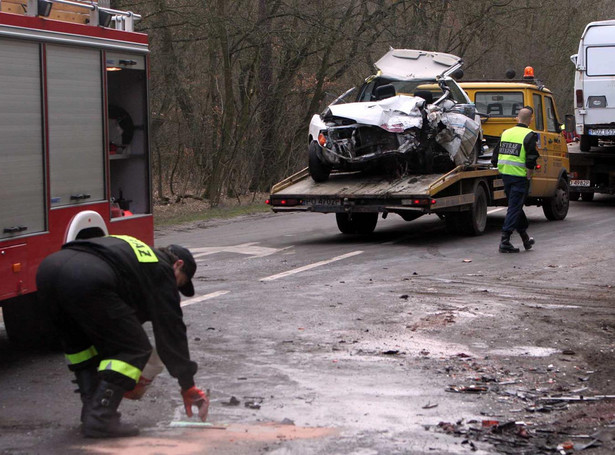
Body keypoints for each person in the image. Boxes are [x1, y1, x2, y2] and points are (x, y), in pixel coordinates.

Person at [36, 235, 209, 438]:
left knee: (80, 344)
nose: (176, 289)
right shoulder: (162, 269)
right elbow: (171, 330)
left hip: (49, 270)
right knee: (134, 349)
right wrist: (187, 384)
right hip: (87, 277)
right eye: (180, 282)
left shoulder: (137, 254)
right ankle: (100, 418)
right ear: (178, 265)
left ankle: (92, 411)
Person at [491, 106, 540, 253]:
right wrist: (529, 174)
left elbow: (495, 156)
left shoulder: (506, 133)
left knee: (516, 206)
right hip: (520, 177)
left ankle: (525, 239)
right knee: (514, 208)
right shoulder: (530, 135)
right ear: (531, 119)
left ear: (517, 118)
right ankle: (505, 240)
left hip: (505, 175)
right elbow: (531, 157)